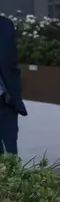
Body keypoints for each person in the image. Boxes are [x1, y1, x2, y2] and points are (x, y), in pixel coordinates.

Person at [0, 15, 27, 155]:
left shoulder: (5, 25)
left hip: (5, 104)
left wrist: (15, 95)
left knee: (10, 163)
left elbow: (11, 64)